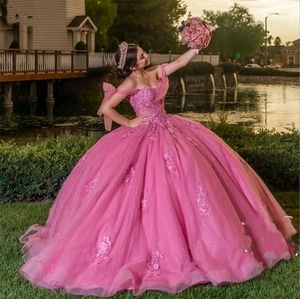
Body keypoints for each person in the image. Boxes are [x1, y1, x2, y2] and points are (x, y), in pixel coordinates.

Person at [19, 42, 297, 297]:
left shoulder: (154, 71)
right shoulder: (131, 81)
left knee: (192, 180)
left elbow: (179, 63)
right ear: (131, 63)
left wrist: (196, 48)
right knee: (139, 191)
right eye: (140, 55)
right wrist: (129, 124)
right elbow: (106, 107)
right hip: (143, 135)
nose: (145, 56)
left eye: (144, 53)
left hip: (170, 129)